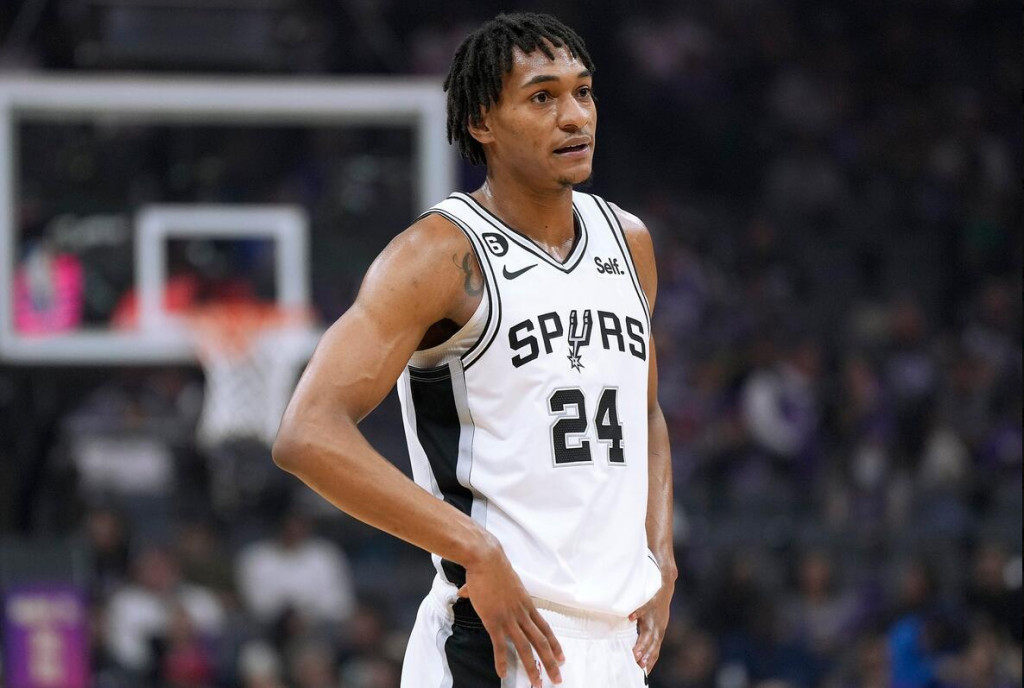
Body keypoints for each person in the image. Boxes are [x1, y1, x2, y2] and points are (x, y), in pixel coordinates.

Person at [273, 12, 675, 687]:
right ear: (482, 121)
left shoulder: (628, 242)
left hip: (615, 647)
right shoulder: (436, 255)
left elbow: (648, 413)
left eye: (583, 92)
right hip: (491, 642)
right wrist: (475, 550)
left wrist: (661, 555)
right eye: (542, 97)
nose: (574, 116)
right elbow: (305, 433)